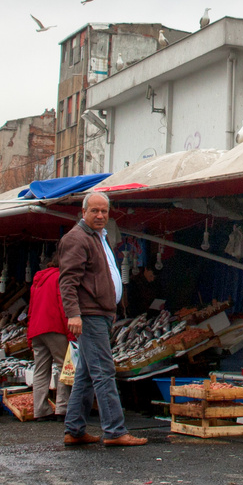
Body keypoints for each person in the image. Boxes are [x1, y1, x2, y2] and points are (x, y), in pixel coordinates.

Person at [58, 191, 148, 447]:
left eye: (104, 211)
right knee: (104, 372)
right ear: (83, 212)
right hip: (90, 315)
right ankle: (115, 431)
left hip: (100, 314)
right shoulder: (77, 238)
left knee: (87, 373)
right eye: (94, 211)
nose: (100, 215)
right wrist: (73, 314)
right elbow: (68, 281)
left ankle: (74, 430)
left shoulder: (98, 237)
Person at [27, 263, 72, 421]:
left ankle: (40, 410)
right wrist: (70, 333)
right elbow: (63, 305)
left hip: (36, 329)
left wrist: (29, 335)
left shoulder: (39, 279)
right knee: (63, 367)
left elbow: (31, 307)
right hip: (55, 327)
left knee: (40, 370)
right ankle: (62, 408)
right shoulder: (61, 277)